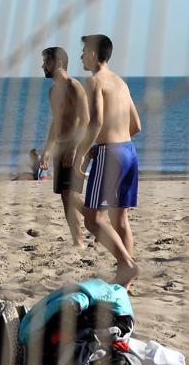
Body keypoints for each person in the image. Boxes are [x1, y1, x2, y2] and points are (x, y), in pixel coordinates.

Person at [76, 34, 140, 286]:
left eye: (83, 52)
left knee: (93, 219)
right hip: (129, 151)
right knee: (120, 220)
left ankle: (127, 265)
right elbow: (136, 124)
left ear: (93, 54)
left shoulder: (94, 81)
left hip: (111, 154)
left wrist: (85, 151)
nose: (81, 56)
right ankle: (124, 285)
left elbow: (96, 121)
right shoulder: (120, 82)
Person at [40, 46, 91, 247]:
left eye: (46, 61)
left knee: (71, 194)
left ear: (58, 62)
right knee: (65, 197)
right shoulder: (53, 91)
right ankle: (77, 240)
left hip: (75, 146)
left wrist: (74, 148)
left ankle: (98, 221)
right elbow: (56, 123)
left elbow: (85, 119)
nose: (43, 66)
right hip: (61, 147)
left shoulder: (73, 85)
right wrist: (47, 150)